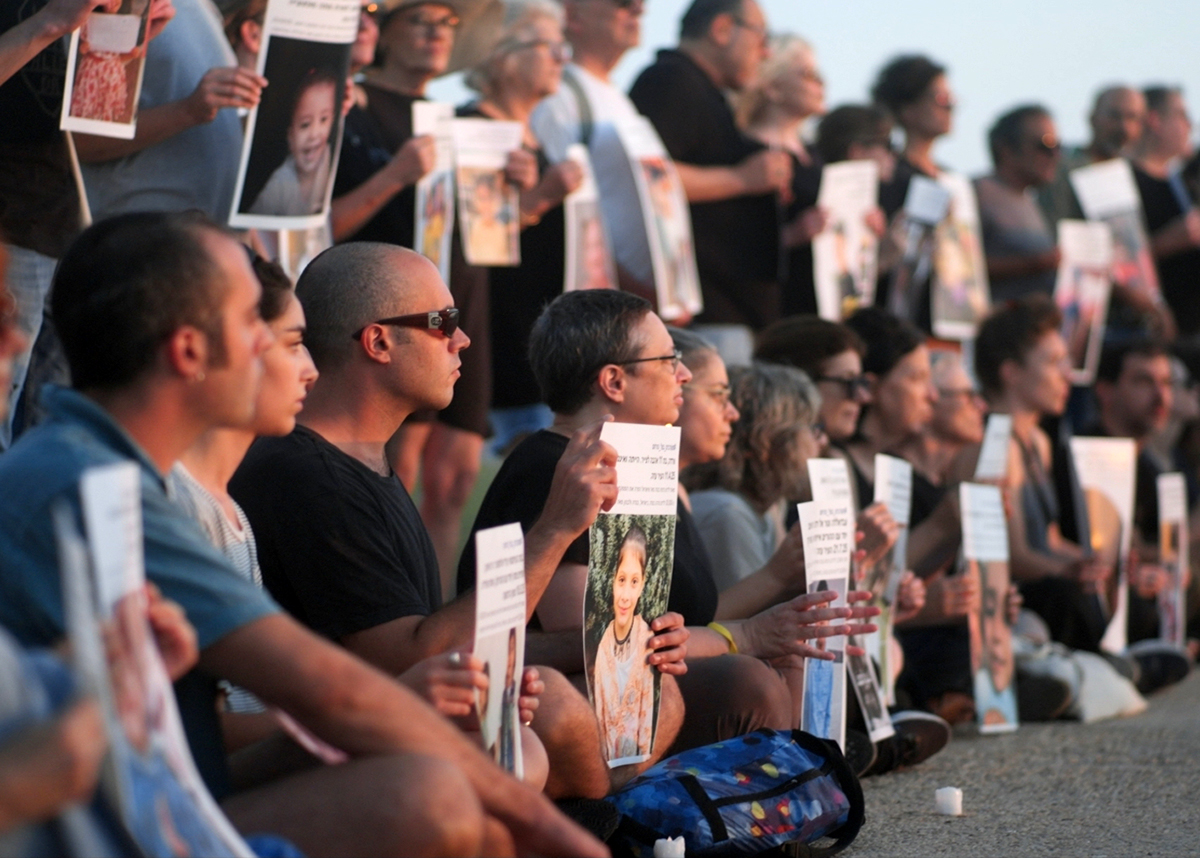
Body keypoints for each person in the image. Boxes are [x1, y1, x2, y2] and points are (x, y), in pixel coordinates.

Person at [0, 212, 606, 858]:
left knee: (482, 771)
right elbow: (331, 691)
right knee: (434, 796)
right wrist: (552, 831)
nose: (305, 361)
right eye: (257, 327)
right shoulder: (95, 484)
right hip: (123, 825)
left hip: (172, 799)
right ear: (189, 351)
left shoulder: (117, 473)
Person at [228, 241, 624, 800]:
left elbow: (435, 650)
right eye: (443, 322)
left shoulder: (358, 461)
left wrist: (601, 643)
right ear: (378, 342)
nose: (463, 339)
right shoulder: (310, 478)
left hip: (374, 738)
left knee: (566, 700)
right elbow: (415, 664)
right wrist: (555, 529)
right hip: (326, 765)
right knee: (543, 728)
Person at [461, 289, 880, 752]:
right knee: (744, 682)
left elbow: (677, 622)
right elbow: (604, 649)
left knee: (787, 658)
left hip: (635, 689)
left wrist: (796, 615)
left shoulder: (637, 466)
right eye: (668, 360)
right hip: (560, 707)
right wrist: (745, 635)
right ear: (614, 382)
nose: (683, 374)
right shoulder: (554, 470)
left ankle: (813, 770)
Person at [0, 0, 172, 446]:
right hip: (12, 237)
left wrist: (122, 51)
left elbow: (91, 131)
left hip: (61, 230)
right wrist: (49, 23)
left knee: (49, 434)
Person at [454, 0, 584, 456]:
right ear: (502, 54)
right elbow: (470, 248)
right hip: (496, 349)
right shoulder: (471, 128)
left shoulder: (539, 138)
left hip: (541, 348)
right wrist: (541, 197)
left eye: (563, 47)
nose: (562, 58)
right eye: (549, 46)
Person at [628, 0, 793, 356]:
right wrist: (742, 178)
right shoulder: (670, 81)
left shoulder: (702, 90)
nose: (766, 52)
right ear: (722, 29)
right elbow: (649, 181)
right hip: (704, 315)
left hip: (726, 312)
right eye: (762, 37)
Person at [734, 34, 829, 316]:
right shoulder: (745, 153)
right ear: (773, 87)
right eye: (807, 74)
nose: (821, 83)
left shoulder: (814, 155)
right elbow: (728, 243)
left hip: (817, 307)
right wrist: (791, 235)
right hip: (768, 310)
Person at [975, 105, 1062, 303]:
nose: (1055, 155)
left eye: (1058, 146)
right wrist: (1033, 264)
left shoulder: (1031, 202)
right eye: (1046, 145)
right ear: (1006, 150)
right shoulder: (978, 193)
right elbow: (956, 266)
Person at [1132, 86, 1200, 337]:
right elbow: (1113, 259)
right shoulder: (1126, 181)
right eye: (1182, 115)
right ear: (1155, 121)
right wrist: (1164, 243)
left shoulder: (1181, 181)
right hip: (1157, 332)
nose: (1190, 126)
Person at [590, 525, 656, 763]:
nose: (626, 595)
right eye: (621, 580)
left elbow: (647, 726)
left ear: (643, 584)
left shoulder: (646, 638)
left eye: (634, 581)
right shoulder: (603, 646)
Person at [1038, 85, 1146, 225]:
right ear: (1092, 118)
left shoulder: (1136, 174)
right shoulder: (1062, 169)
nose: (1123, 127)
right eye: (1114, 116)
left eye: (1132, 117)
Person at [248, 68, 339, 216]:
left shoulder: (329, 157)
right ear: (290, 137)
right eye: (305, 125)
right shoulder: (278, 184)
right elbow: (251, 223)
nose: (314, 134)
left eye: (324, 119)